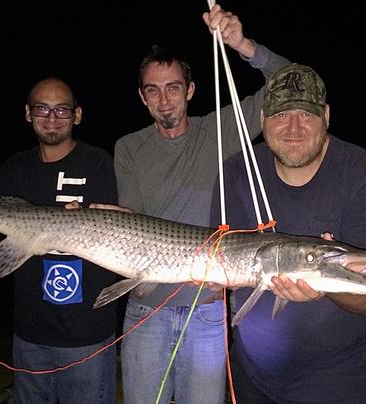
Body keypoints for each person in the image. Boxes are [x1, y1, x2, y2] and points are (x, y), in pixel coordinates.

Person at [113, 4, 291, 404]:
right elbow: (134, 226)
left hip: (207, 311)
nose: (164, 100)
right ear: (142, 97)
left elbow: (290, 82)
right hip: (145, 309)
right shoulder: (129, 148)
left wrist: (242, 44)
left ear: (190, 90)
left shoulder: (221, 130)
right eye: (153, 90)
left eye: (173, 87)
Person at [210, 62, 366, 403]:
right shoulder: (237, 172)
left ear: (327, 115)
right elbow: (219, 265)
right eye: (281, 115)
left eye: (307, 114)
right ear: (262, 119)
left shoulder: (365, 177)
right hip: (250, 379)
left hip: (337, 384)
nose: (294, 128)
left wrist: (324, 279)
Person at [0, 77, 120, 403]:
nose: (52, 117)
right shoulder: (15, 168)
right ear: (28, 114)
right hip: (30, 336)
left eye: (62, 109)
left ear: (78, 115)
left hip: (87, 333)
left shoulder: (99, 162)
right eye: (42, 108)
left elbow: (115, 227)